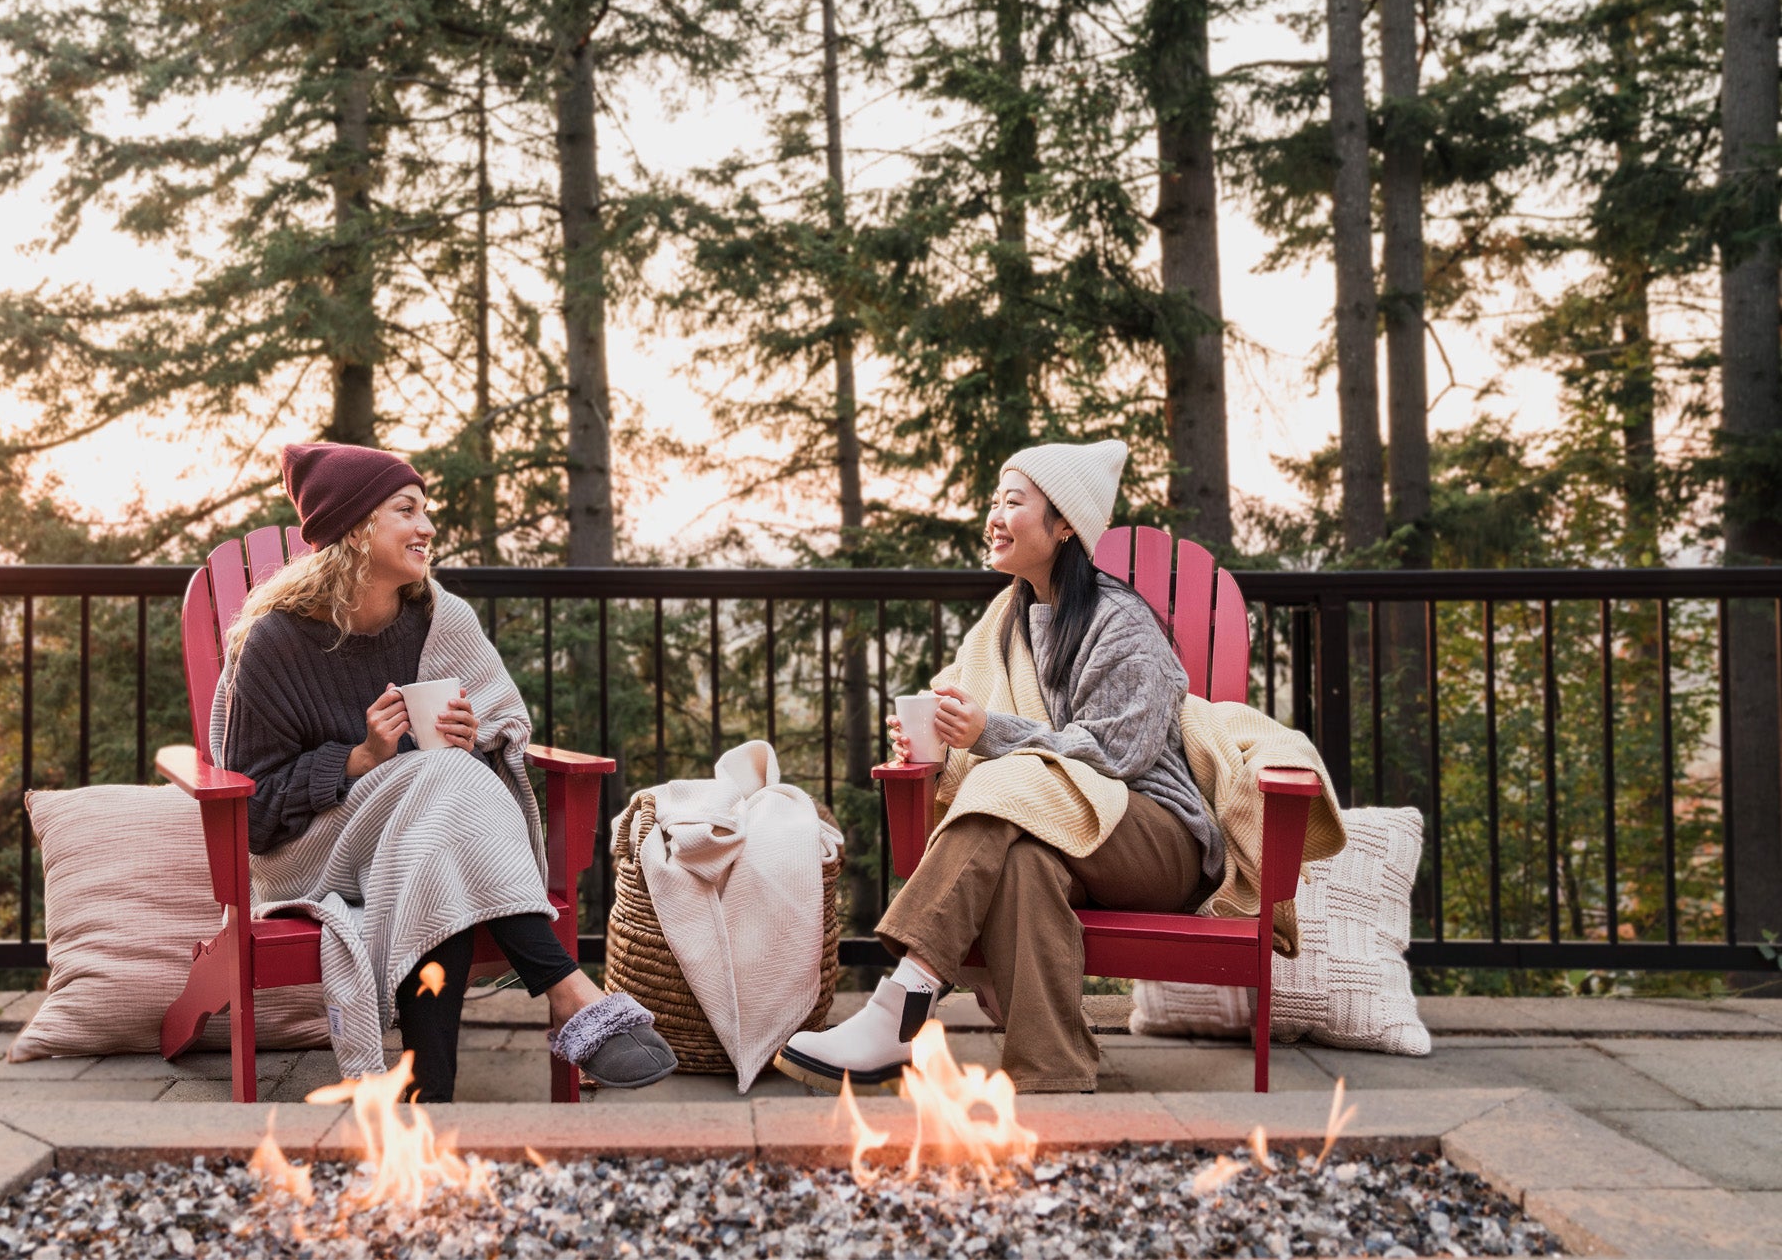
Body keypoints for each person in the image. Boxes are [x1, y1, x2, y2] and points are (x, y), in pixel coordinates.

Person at [215, 442, 677, 1100]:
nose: (428, 526)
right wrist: (359, 757)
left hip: (423, 840)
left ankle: (432, 1095)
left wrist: (473, 739)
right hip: (316, 851)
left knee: (444, 810)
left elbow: (499, 732)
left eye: (425, 509)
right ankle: (568, 988)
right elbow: (255, 814)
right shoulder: (276, 643)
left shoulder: (440, 618)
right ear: (353, 525)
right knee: (445, 785)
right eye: (406, 509)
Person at [775, 440, 1222, 1094]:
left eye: (1013, 501)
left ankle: (899, 1008)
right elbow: (976, 714)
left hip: (1157, 838)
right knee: (1023, 862)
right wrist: (938, 739)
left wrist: (991, 734)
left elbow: (1119, 757)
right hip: (1068, 832)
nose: (994, 515)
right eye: (994, 500)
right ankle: (1053, 1069)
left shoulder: (1123, 626)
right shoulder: (1006, 621)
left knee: (1007, 778)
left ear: (1065, 522)